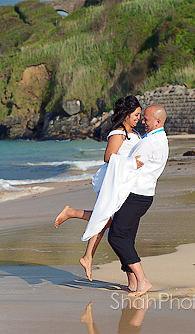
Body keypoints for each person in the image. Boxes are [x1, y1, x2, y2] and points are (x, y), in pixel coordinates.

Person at [54, 96, 143, 282]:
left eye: (140, 115)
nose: (138, 118)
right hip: (111, 181)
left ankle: (87, 255)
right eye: (135, 115)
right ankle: (73, 216)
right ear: (126, 114)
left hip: (123, 181)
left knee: (111, 220)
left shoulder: (132, 132)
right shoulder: (118, 133)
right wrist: (131, 163)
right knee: (111, 221)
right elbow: (109, 157)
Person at [107, 105, 168, 296]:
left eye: (146, 119)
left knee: (116, 236)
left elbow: (129, 166)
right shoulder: (158, 139)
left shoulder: (150, 142)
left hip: (136, 195)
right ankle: (133, 282)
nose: (143, 121)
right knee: (126, 237)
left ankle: (142, 280)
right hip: (143, 194)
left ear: (157, 121)